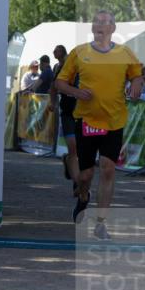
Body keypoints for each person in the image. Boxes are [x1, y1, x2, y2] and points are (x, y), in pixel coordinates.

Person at [54, 10, 144, 238]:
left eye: (105, 22)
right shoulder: (79, 52)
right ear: (93, 28)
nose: (101, 25)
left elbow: (137, 74)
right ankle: (83, 195)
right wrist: (76, 92)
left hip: (114, 121)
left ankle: (101, 223)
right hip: (86, 120)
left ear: (113, 28)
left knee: (108, 168)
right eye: (97, 22)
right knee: (85, 176)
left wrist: (136, 84)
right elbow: (60, 82)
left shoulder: (124, 53)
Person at [49, 45, 79, 187]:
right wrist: (52, 103)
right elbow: (53, 87)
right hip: (67, 112)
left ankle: (68, 160)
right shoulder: (61, 68)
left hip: (84, 113)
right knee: (73, 147)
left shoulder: (86, 70)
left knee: (80, 149)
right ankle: (77, 183)